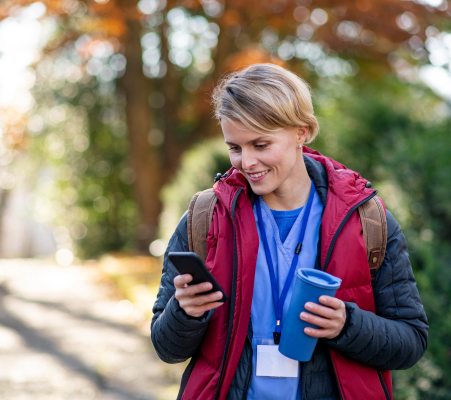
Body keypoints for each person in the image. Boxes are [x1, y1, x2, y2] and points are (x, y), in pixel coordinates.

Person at [151, 63, 428, 400]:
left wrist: (347, 325)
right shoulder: (205, 218)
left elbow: (411, 342)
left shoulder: (366, 219)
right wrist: (186, 312)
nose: (247, 162)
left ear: (301, 132)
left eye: (261, 145)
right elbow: (167, 348)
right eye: (235, 148)